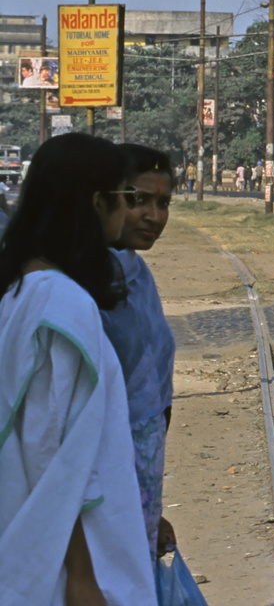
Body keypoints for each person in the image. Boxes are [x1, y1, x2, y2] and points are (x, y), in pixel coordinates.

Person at [0, 133, 155, 606]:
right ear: (96, 201)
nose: (133, 212)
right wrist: (82, 578)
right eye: (127, 198)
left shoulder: (23, 290)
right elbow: (52, 455)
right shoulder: (62, 303)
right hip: (74, 555)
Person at [102, 145, 179, 561]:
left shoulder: (134, 269)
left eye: (163, 202)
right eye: (138, 200)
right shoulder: (88, 282)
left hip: (138, 482)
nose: (154, 216)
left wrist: (151, 509)